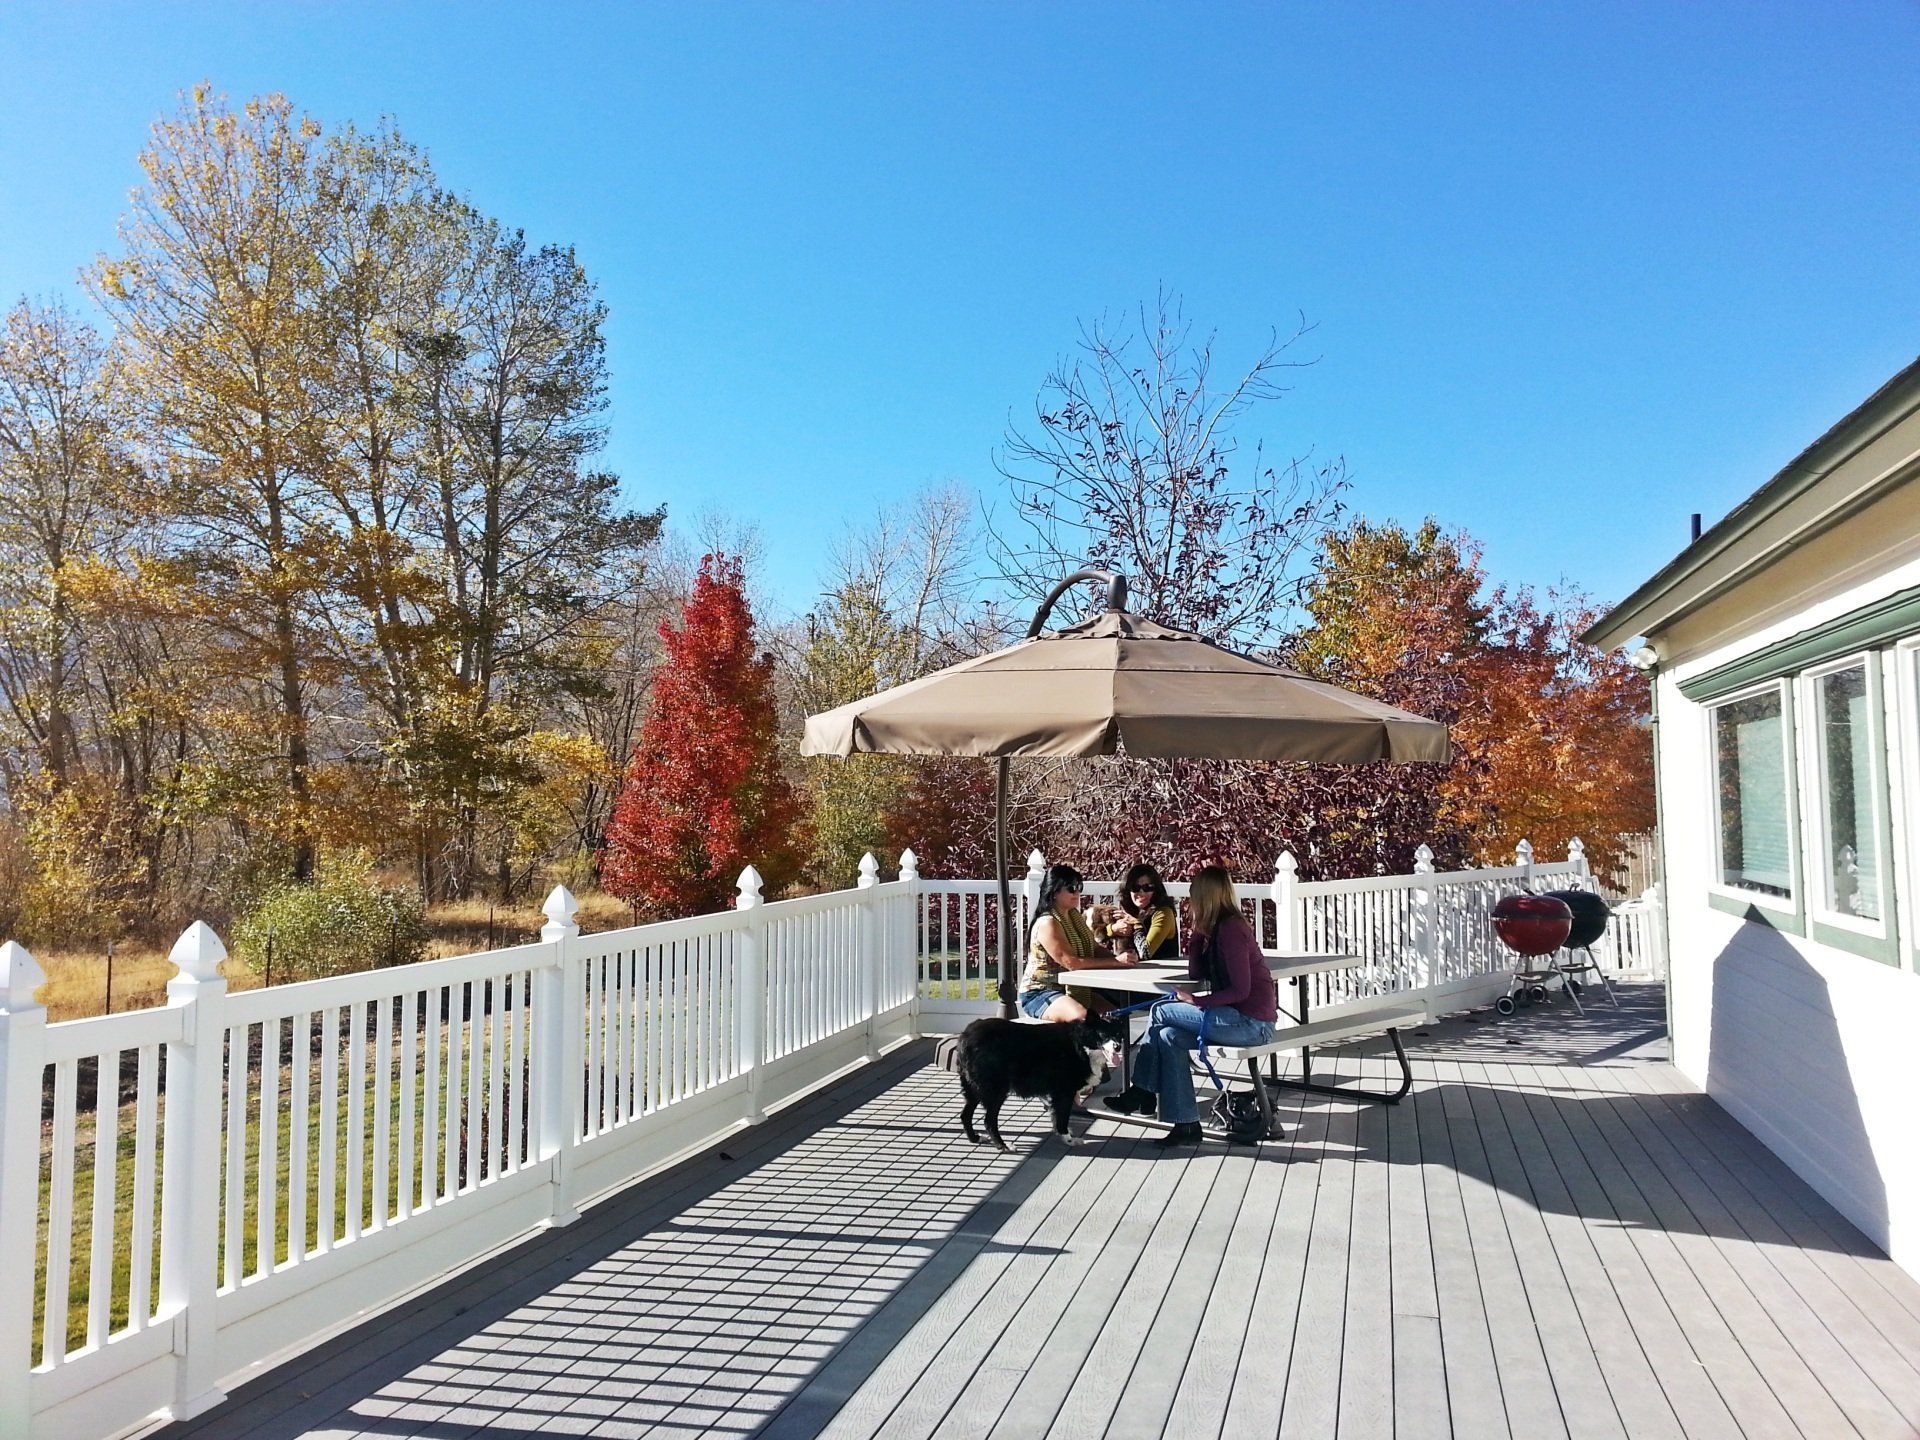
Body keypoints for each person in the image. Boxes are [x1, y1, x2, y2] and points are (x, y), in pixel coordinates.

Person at [1103, 865, 1277, 1145]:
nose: (1190, 900)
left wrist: (1197, 1001)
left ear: (1206, 896)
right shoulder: (1216, 928)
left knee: (1160, 1010)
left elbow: (1241, 990)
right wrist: (1197, 935)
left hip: (1251, 1023)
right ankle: (1186, 1124)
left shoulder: (1232, 929)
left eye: (1194, 893)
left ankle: (1142, 1090)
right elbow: (1197, 973)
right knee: (1167, 1036)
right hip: (1232, 1017)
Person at [1018, 862, 1135, 1023]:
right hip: (1040, 992)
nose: (1077, 892)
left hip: (1070, 990)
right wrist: (1115, 962)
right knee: (1082, 1017)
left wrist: (1123, 959)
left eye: (1079, 887)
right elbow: (1071, 962)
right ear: (1054, 892)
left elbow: (1094, 947)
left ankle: (1117, 1049)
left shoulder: (1074, 917)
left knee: (1115, 1016)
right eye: (1071, 888)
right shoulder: (1048, 922)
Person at [1108, 863, 1179, 961]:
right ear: (1128, 889)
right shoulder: (1130, 910)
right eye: (1135, 888)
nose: (1141, 893)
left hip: (1160, 973)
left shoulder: (1163, 912)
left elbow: (1145, 953)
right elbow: (1097, 941)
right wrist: (1113, 929)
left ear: (1156, 889)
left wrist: (1135, 924)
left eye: (1147, 888)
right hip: (1130, 972)